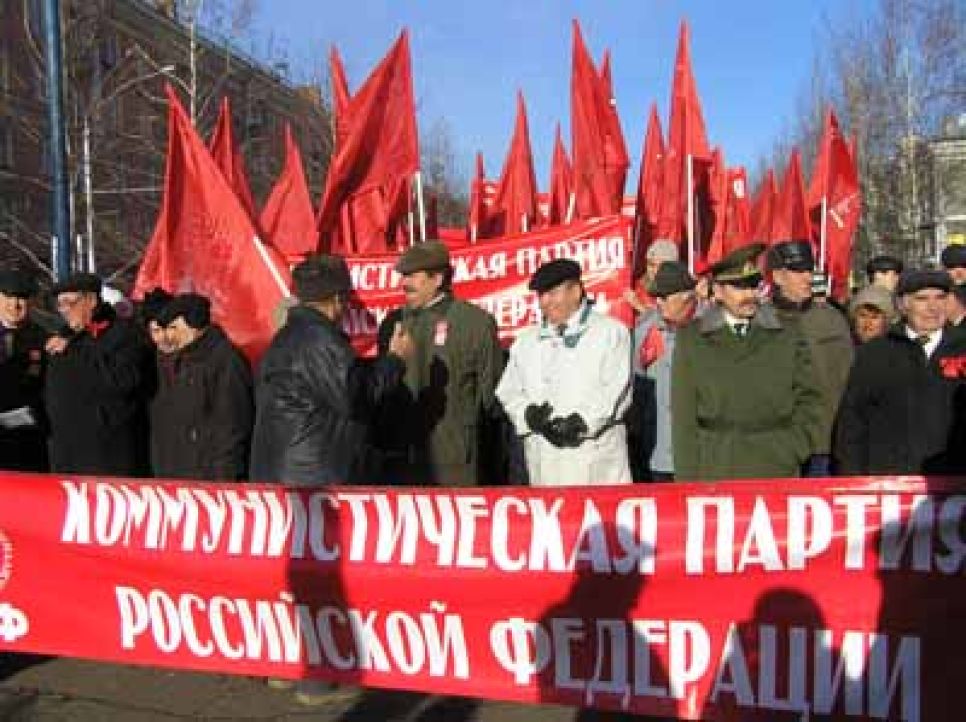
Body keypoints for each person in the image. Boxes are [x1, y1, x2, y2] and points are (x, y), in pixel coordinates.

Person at [251, 255, 413, 486]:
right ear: (338, 299)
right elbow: (356, 396)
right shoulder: (319, 339)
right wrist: (396, 360)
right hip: (314, 480)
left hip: (292, 475)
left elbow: (337, 381)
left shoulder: (288, 337)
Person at [672, 243, 823, 481]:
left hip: (776, 465)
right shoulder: (693, 338)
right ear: (718, 291)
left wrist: (794, 448)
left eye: (753, 285)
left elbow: (810, 399)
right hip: (717, 467)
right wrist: (688, 482)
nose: (749, 295)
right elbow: (683, 418)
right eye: (739, 287)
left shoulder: (787, 331)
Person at [376, 241, 503, 486]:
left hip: (454, 463)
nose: (405, 283)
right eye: (403, 276)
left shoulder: (475, 323)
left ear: (437, 279)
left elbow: (491, 396)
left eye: (413, 276)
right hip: (402, 460)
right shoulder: (392, 324)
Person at [496, 258, 632, 486]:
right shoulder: (526, 341)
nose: (545, 302)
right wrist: (528, 414)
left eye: (552, 293)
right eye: (541, 295)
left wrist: (581, 422)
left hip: (594, 464)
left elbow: (615, 390)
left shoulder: (610, 333)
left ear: (576, 291)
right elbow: (508, 390)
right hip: (544, 467)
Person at [835, 270, 966, 474]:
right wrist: (852, 478)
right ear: (904, 304)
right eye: (922, 299)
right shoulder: (876, 352)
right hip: (890, 483)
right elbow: (853, 421)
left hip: (954, 482)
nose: (933, 307)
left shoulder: (962, 347)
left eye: (940, 298)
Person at [44, 272, 152, 475]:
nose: (65, 311)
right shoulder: (65, 336)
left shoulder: (124, 334)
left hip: (104, 454)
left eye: (70, 303)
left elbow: (123, 380)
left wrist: (75, 352)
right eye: (61, 305)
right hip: (65, 453)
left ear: (91, 300)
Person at [766, 240, 853, 476]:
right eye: (797, 271)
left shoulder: (832, 318)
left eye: (809, 270)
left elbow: (849, 379)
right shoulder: (761, 322)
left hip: (824, 442)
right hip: (778, 444)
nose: (807, 278)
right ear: (778, 276)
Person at [149, 293, 253, 480]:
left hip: (209, 477)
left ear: (194, 326)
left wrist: (224, 477)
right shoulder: (174, 359)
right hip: (176, 473)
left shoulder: (226, 360)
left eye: (174, 327)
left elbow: (233, 424)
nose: (168, 335)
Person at [630, 261, 697, 481]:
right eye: (656, 298)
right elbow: (636, 389)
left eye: (664, 297)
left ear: (686, 296)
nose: (658, 303)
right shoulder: (645, 331)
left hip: (699, 454)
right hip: (656, 453)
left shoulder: (709, 328)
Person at [0, 269, 49, 471]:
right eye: (8, 297)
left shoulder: (43, 338)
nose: (15, 305)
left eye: (21, 298)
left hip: (29, 439)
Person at [624, 239, 679, 313]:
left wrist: (639, 306)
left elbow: (669, 322)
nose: (655, 271)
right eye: (651, 265)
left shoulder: (681, 293)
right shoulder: (636, 288)